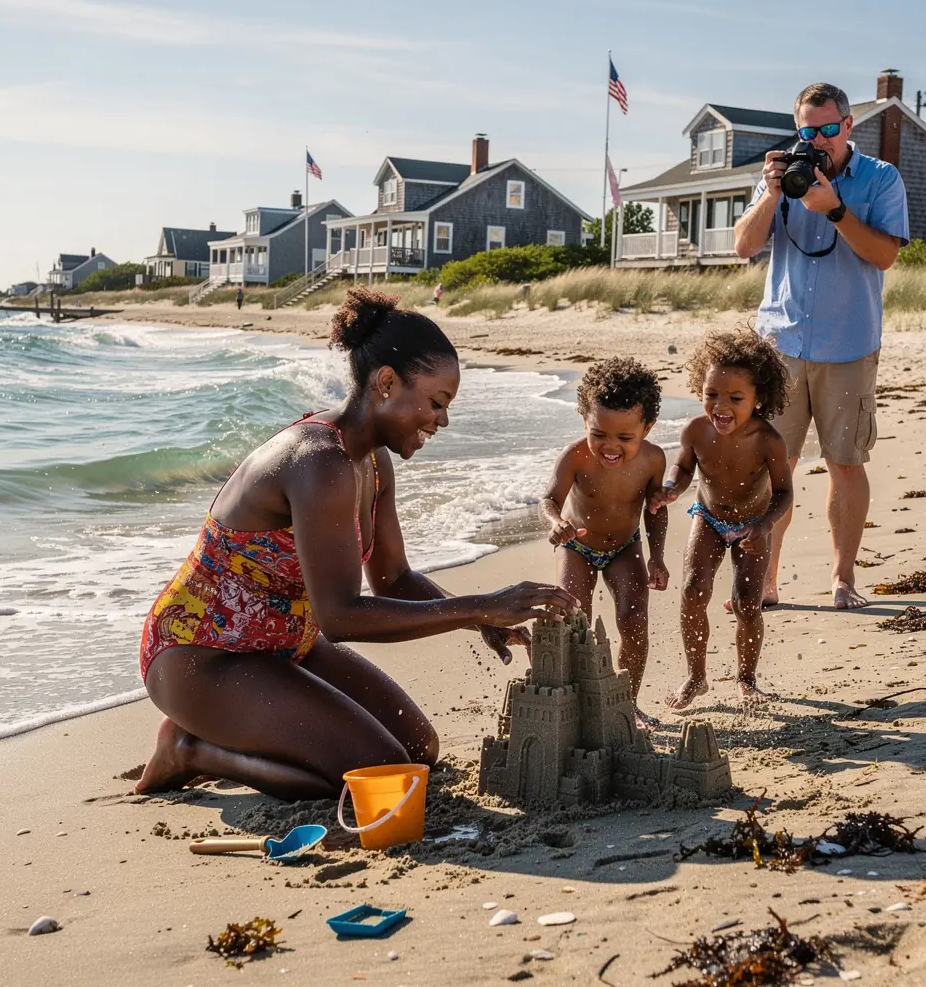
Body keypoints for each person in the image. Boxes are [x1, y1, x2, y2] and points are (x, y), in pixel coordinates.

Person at [135, 286, 578, 801]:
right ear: (387, 382)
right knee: (385, 778)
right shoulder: (318, 461)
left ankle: (229, 738)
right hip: (201, 658)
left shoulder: (372, 461)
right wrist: (477, 606)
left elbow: (393, 579)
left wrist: (483, 619)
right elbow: (340, 618)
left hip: (282, 646)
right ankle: (189, 748)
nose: (443, 420)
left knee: (418, 750)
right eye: (436, 403)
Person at [734, 81, 909, 610]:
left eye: (828, 129)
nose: (819, 140)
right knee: (774, 466)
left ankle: (842, 578)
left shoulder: (880, 179)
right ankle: (766, 580)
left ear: (849, 126)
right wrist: (770, 193)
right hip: (782, 343)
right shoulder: (781, 176)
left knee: (845, 463)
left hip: (849, 343)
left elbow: (884, 256)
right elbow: (743, 246)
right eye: (808, 131)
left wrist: (834, 209)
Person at [652, 331, 793, 709]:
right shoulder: (695, 430)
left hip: (754, 524)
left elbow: (784, 493)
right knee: (693, 592)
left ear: (758, 399)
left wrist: (763, 526)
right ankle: (696, 677)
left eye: (735, 398)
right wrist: (670, 488)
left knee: (747, 604)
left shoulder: (769, 440)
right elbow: (683, 468)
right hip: (709, 519)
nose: (721, 406)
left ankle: (746, 680)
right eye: (712, 394)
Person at [539, 357, 669, 713]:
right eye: (599, 434)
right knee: (573, 620)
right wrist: (555, 523)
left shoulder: (654, 460)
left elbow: (655, 510)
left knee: (634, 619)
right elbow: (549, 500)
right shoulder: (576, 456)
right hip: (576, 546)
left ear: (648, 427)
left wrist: (656, 557)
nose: (611, 446)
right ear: (585, 420)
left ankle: (626, 705)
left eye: (625, 437)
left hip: (626, 547)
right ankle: (578, 705)